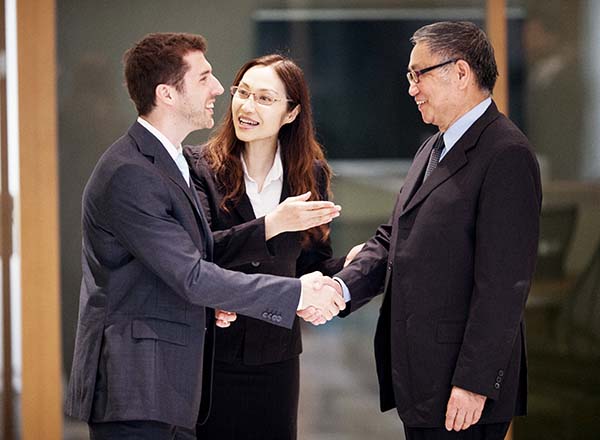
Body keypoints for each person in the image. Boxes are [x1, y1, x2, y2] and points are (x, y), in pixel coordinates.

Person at [64, 33, 345, 440]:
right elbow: (194, 275)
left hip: (189, 375)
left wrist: (339, 278)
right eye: (205, 78)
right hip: (142, 381)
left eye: (263, 97)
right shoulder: (134, 171)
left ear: (291, 114)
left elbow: (194, 256)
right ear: (168, 94)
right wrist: (296, 293)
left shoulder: (167, 160)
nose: (221, 90)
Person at [331, 22, 542, 440]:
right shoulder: (434, 146)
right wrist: (340, 289)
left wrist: (474, 383)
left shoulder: (506, 153)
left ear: (461, 72)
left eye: (418, 74)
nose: (411, 88)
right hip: (423, 381)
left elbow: (504, 285)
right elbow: (395, 238)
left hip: (461, 390)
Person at [184, 54, 360, 439]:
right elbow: (198, 256)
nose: (247, 106)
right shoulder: (199, 167)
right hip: (214, 355)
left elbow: (308, 267)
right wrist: (272, 224)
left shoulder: (308, 173)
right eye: (243, 93)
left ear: (291, 112)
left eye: (265, 98)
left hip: (277, 357)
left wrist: (350, 267)